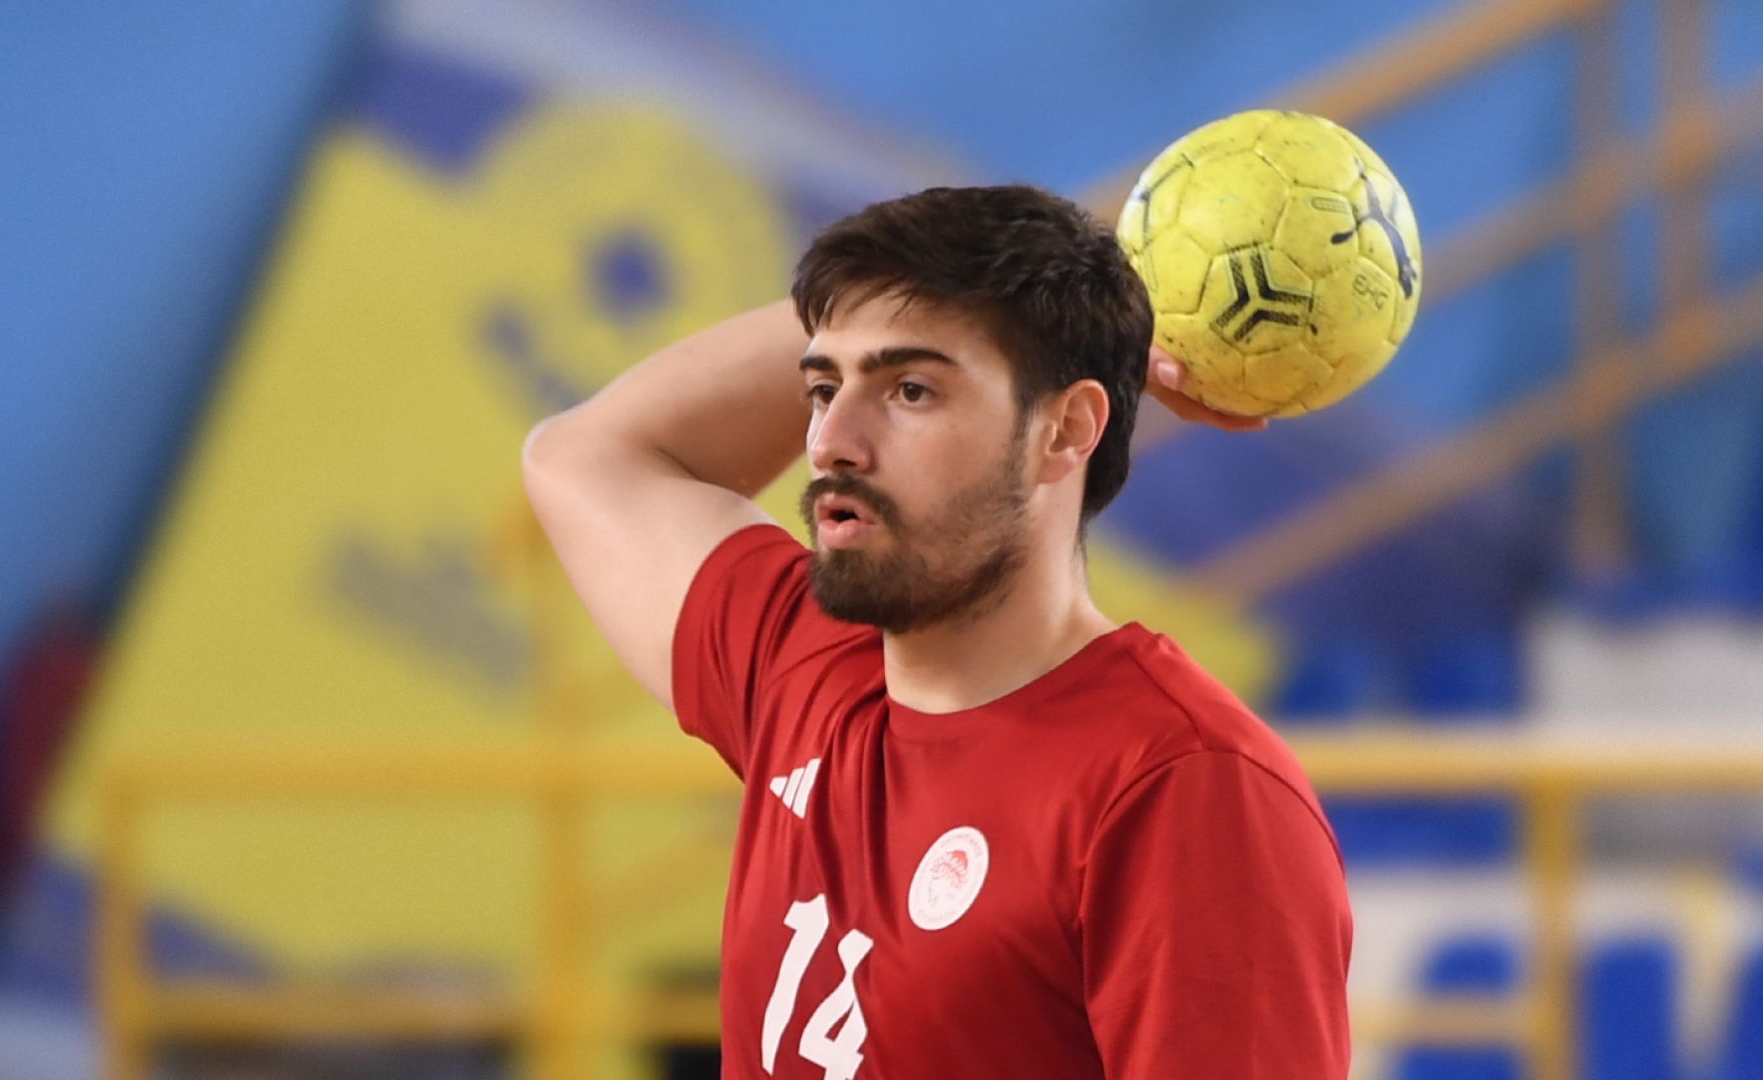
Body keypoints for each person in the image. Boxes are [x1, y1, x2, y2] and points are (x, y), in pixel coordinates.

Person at [523, 184, 1351, 1079]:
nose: (830, 441)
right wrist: (1104, 298)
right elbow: (583, 456)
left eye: (910, 390)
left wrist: (1081, 314)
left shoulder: (1184, 787)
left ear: (1066, 429)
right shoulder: (805, 672)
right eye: (822, 387)